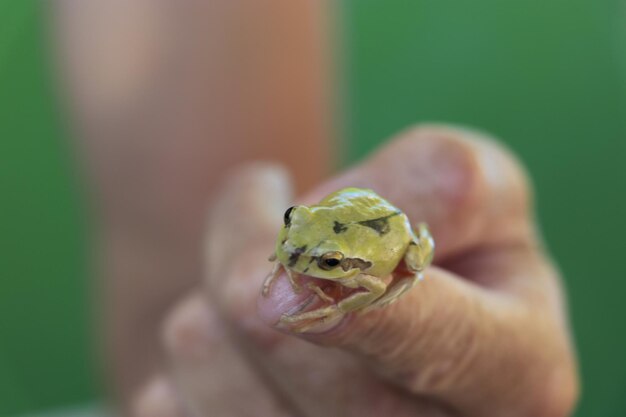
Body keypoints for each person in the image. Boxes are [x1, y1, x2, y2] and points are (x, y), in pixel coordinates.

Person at [54, 2, 578, 416]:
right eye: (290, 233)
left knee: (402, 268)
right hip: (344, 223)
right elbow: (172, 297)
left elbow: (374, 289)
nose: (294, 256)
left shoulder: (362, 277)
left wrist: (341, 308)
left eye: (319, 265)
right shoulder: (301, 239)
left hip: (383, 252)